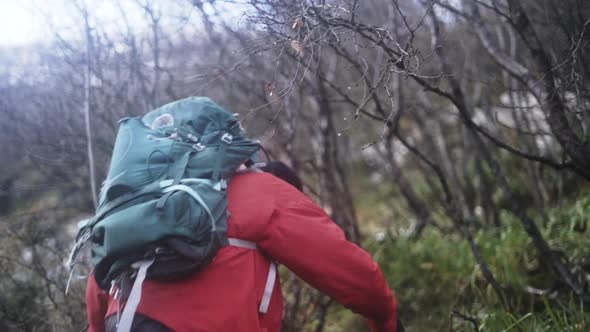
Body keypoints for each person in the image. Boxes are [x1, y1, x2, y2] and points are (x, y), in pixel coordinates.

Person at [86, 162, 400, 332]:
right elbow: (351, 272)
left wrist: (96, 326)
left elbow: (103, 270)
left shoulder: (158, 201)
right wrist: (386, 319)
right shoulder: (266, 191)